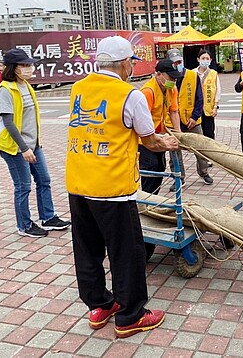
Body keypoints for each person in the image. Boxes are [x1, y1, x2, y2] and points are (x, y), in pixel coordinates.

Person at [66, 36, 180, 338]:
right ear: (124, 63)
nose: (132, 65)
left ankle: (99, 305)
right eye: (131, 60)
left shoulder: (79, 88)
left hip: (78, 183)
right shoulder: (129, 95)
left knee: (87, 249)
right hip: (112, 188)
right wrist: (167, 143)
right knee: (126, 252)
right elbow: (149, 138)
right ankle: (130, 315)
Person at [0, 48, 71, 238]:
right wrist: (24, 148)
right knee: (23, 186)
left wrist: (34, 144)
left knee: (44, 180)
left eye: (30, 65)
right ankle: (24, 225)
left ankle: (48, 217)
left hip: (33, 144)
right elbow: (9, 123)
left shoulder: (26, 85)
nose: (29, 68)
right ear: (13, 68)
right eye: (25, 65)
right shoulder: (5, 90)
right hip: (15, 147)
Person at [166, 48, 213, 190]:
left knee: (200, 148)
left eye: (179, 62)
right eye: (174, 63)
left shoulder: (193, 76)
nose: (177, 65)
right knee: (174, 150)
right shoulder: (167, 79)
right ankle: (179, 178)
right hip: (173, 120)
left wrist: (195, 116)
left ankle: (204, 172)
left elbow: (200, 99)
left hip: (192, 120)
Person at [139, 58, 182, 195]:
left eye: (175, 78)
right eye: (171, 78)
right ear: (159, 74)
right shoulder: (147, 92)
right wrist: (154, 138)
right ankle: (147, 202)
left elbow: (173, 111)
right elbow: (141, 120)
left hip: (160, 135)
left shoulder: (171, 89)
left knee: (160, 167)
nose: (174, 81)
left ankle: (154, 199)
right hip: (145, 139)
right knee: (150, 169)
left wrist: (178, 134)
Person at [196, 49, 221, 140]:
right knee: (197, 136)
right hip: (196, 110)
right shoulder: (192, 73)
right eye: (203, 58)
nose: (205, 60)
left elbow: (217, 91)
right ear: (198, 59)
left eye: (207, 58)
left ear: (210, 60)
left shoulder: (213, 74)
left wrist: (215, 107)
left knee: (209, 134)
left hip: (208, 109)